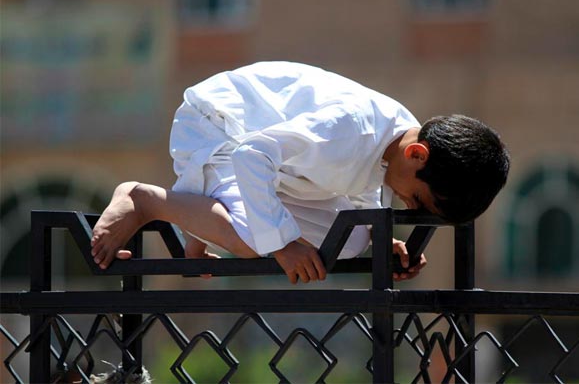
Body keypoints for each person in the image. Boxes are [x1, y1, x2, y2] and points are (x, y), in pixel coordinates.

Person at [90, 61, 510, 284]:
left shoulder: (397, 141)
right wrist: (283, 244)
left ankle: (199, 221)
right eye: (417, 199)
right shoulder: (349, 130)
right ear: (418, 155)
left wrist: (384, 242)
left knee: (352, 239)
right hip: (218, 127)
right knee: (258, 241)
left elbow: (357, 184)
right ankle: (146, 200)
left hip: (269, 159)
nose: (407, 204)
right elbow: (252, 155)